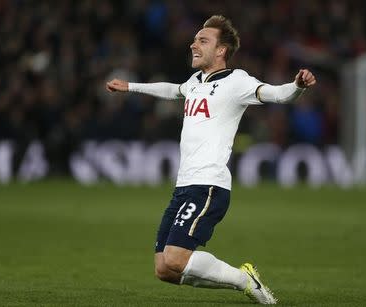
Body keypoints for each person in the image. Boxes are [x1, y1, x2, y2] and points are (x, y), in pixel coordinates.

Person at [106, 15, 316, 305]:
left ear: (221, 50)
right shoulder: (195, 81)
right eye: (194, 39)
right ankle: (238, 280)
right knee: (164, 269)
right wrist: (130, 86)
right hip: (183, 185)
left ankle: (244, 279)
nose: (193, 44)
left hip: (208, 185)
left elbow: (276, 95)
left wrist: (297, 86)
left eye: (202, 40)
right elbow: (173, 90)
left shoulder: (236, 81)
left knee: (176, 258)